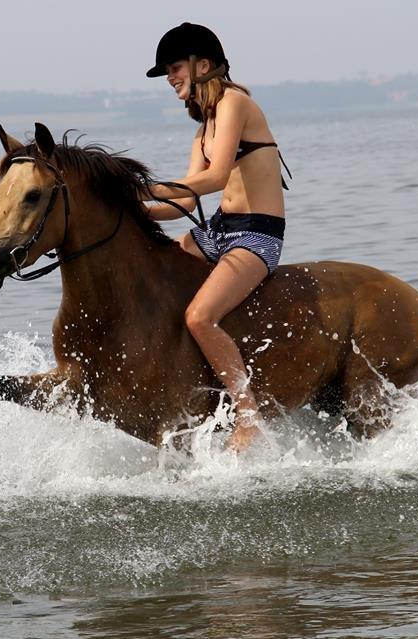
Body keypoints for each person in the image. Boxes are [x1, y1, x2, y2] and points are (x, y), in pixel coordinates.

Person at [142, 22, 290, 451]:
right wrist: (134, 211)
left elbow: (216, 176)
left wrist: (143, 188)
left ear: (202, 64)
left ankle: (248, 417)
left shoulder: (234, 103)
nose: (170, 79)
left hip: (257, 235)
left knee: (198, 317)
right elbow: (183, 205)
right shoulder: (203, 126)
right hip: (217, 230)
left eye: (174, 69)